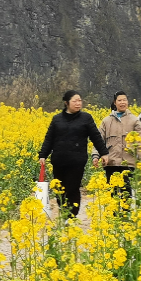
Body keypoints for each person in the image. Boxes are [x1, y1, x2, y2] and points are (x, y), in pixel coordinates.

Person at [38, 90, 108, 218]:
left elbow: (96, 137)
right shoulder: (57, 119)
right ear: (66, 103)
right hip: (59, 160)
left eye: (80, 101)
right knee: (59, 189)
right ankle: (64, 212)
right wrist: (43, 155)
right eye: (75, 101)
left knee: (72, 188)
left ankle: (71, 216)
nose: (78, 103)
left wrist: (103, 153)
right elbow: (49, 138)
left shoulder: (86, 118)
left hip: (77, 161)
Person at [92, 91, 141, 211]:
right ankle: (114, 217)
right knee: (113, 192)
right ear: (115, 103)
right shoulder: (106, 121)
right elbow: (99, 140)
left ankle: (126, 215)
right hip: (112, 162)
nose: (122, 102)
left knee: (127, 192)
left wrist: (140, 158)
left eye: (124, 100)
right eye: (120, 100)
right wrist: (96, 155)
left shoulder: (134, 120)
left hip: (128, 162)